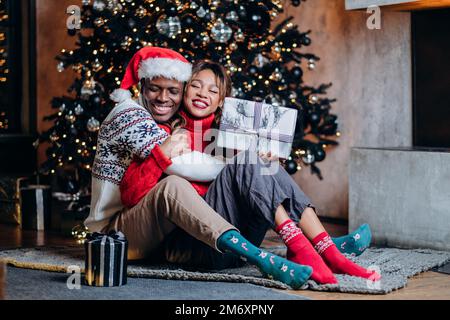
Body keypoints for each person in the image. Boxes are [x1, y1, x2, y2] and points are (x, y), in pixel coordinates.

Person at [121, 60, 381, 284]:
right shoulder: (164, 131)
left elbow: (250, 180)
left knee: (264, 164)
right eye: (196, 85)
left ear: (222, 100)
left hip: (239, 242)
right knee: (250, 162)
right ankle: (312, 248)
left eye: (213, 90)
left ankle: (323, 248)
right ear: (185, 89)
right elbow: (135, 192)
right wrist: (165, 154)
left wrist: (262, 161)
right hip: (200, 245)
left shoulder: (230, 135)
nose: (203, 94)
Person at [85, 47, 313, 289]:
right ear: (141, 86)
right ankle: (261, 257)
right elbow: (157, 181)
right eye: (154, 88)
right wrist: (244, 167)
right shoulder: (131, 115)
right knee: (174, 185)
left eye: (173, 91)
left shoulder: (208, 130)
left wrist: (253, 166)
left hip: (177, 236)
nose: (163, 98)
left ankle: (318, 243)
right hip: (112, 235)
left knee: (262, 169)